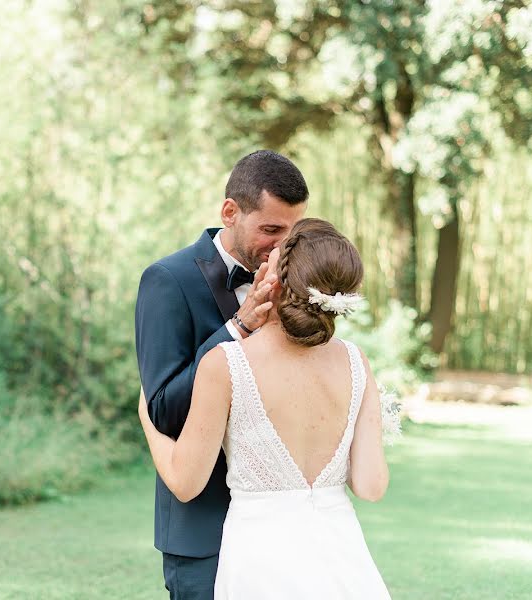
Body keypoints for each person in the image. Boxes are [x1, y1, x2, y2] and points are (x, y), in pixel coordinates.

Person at [138, 218, 391, 598]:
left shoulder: (226, 364)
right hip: (342, 557)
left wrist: (147, 415)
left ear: (277, 278)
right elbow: (370, 487)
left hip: (259, 562)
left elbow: (186, 483)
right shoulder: (356, 362)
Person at [134, 150, 309, 599]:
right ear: (230, 212)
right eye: (270, 229)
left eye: (292, 231)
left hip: (281, 525)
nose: (281, 245)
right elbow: (164, 410)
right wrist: (238, 328)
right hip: (203, 531)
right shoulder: (167, 280)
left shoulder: (296, 282)